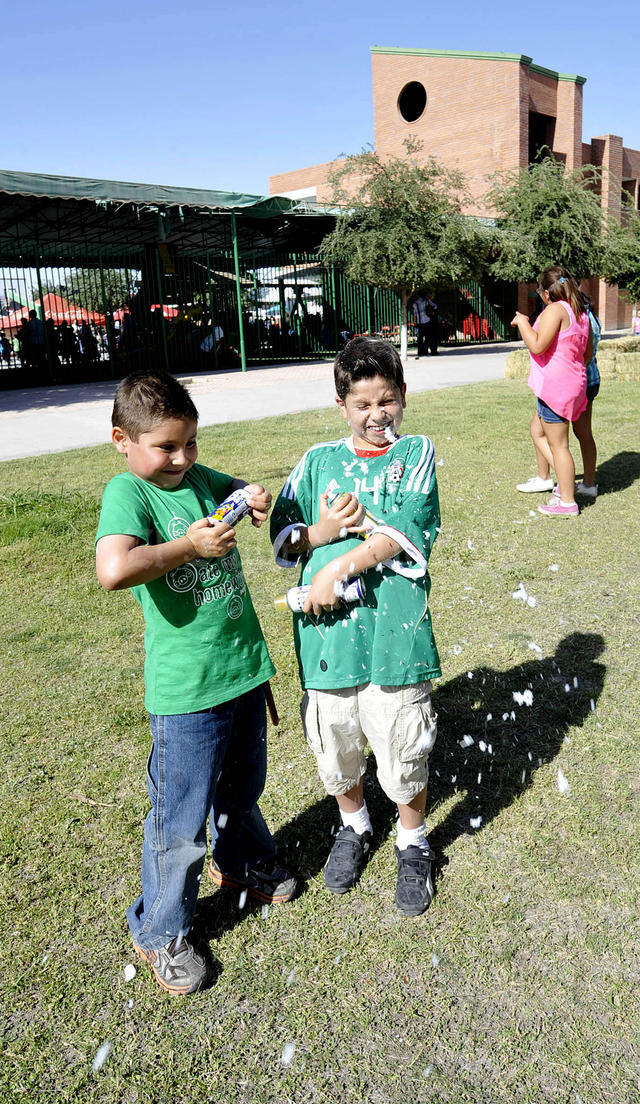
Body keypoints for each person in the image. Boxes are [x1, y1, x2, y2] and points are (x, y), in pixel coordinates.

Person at [95, 370, 297, 995]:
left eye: (190, 444)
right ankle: (161, 930)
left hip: (241, 672)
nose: (181, 459)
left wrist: (252, 493)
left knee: (241, 790)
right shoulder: (130, 493)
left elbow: (231, 486)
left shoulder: (196, 478)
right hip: (187, 694)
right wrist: (187, 546)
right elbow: (114, 569)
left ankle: (240, 864)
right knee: (178, 821)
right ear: (122, 442)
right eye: (165, 447)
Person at [270, 337, 441, 916]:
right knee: (335, 741)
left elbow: (405, 531)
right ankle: (355, 824)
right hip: (328, 640)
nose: (377, 416)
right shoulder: (317, 462)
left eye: (387, 401)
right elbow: (285, 539)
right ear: (341, 404)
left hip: (395, 634)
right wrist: (318, 536)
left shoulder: (416, 452)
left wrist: (343, 563)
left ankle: (413, 841)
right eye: (363, 404)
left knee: (403, 742)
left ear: (403, 398)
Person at [511, 266, 592, 517]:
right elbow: (587, 354)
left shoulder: (555, 310)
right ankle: (564, 484)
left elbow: (536, 345)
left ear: (546, 293)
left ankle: (567, 501)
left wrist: (523, 322)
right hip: (574, 383)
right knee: (537, 430)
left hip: (556, 387)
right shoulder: (580, 312)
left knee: (559, 446)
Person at [412, 290, 439, 357]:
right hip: (427, 321)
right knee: (429, 338)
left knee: (420, 339)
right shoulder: (426, 301)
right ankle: (431, 351)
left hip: (419, 323)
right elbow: (435, 306)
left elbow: (414, 315)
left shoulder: (415, 303)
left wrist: (415, 323)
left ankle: (420, 352)